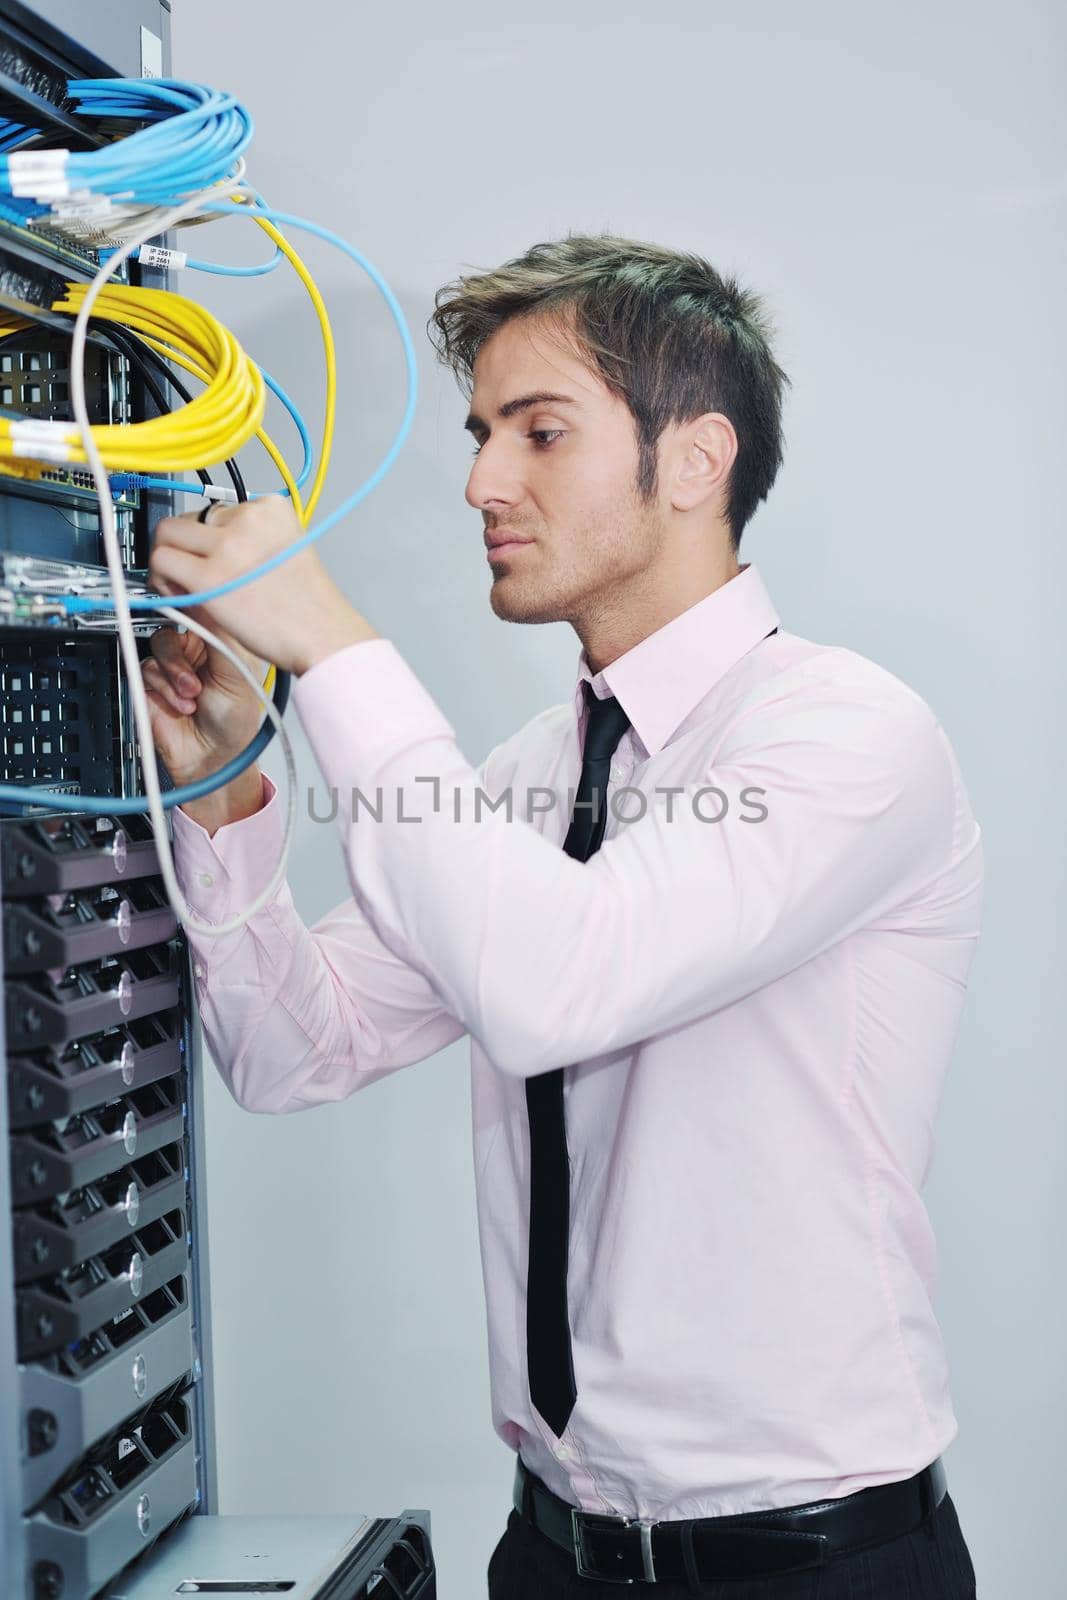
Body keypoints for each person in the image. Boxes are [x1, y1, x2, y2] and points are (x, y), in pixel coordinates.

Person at [144, 234, 983, 1598]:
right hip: (548, 1555)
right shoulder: (536, 772)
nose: (481, 481)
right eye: (482, 435)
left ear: (697, 460)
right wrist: (225, 803)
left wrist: (335, 644)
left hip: (810, 1568)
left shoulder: (846, 736)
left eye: (541, 433)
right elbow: (296, 1050)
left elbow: (556, 982)